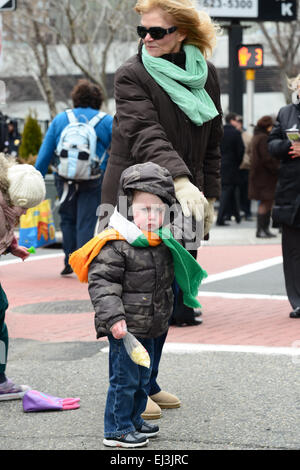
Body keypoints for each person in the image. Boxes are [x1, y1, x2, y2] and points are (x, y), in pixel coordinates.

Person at [100, 0, 223, 418]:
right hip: (135, 199)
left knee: (166, 298)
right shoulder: (131, 75)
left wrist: (210, 197)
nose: (147, 39)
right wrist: (182, 180)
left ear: (182, 34)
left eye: (157, 32)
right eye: (142, 31)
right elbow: (144, 134)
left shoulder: (207, 77)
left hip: (187, 201)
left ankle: (148, 380)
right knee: (133, 298)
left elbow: (213, 146)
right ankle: (131, 392)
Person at [69, 162, 206, 448]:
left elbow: (185, 232)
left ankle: (133, 420)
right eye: (145, 209)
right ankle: (116, 430)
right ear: (127, 207)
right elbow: (103, 285)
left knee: (143, 377)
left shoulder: (161, 240)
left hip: (152, 322)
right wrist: (114, 318)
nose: (153, 216)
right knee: (124, 379)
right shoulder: (116, 242)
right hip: (126, 327)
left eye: (159, 210)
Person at [35, 79, 113, 276]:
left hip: (64, 178)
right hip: (94, 178)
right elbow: (120, 151)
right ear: (98, 100)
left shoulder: (61, 119)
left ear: (75, 99)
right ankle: (83, 263)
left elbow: (45, 154)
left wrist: (36, 179)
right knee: (86, 220)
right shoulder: (106, 121)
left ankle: (69, 260)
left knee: (67, 218)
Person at [0, 154, 46, 399]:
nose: (26, 213)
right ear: (14, 198)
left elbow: (5, 232)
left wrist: (11, 246)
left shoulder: (6, 207)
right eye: (25, 207)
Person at [268, 73, 300, 319]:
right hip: (290, 189)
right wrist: (288, 147)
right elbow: (272, 144)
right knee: (292, 251)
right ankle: (297, 301)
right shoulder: (285, 112)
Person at [248, 115, 279, 238]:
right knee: (266, 202)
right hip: (265, 176)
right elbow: (267, 158)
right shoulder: (263, 138)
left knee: (266, 202)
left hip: (258, 175)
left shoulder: (256, 137)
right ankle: (262, 230)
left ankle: (264, 229)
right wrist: (277, 167)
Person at [216, 112, 245, 226]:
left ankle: (236, 216)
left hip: (220, 164)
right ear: (232, 120)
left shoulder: (220, 132)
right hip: (232, 166)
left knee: (230, 190)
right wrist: (237, 163)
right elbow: (241, 151)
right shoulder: (236, 133)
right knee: (227, 190)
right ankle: (220, 218)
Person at [235, 115, 253, 221]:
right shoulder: (235, 135)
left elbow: (251, 151)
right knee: (236, 191)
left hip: (245, 167)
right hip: (236, 167)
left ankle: (247, 212)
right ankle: (239, 211)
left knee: (246, 192)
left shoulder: (247, 136)